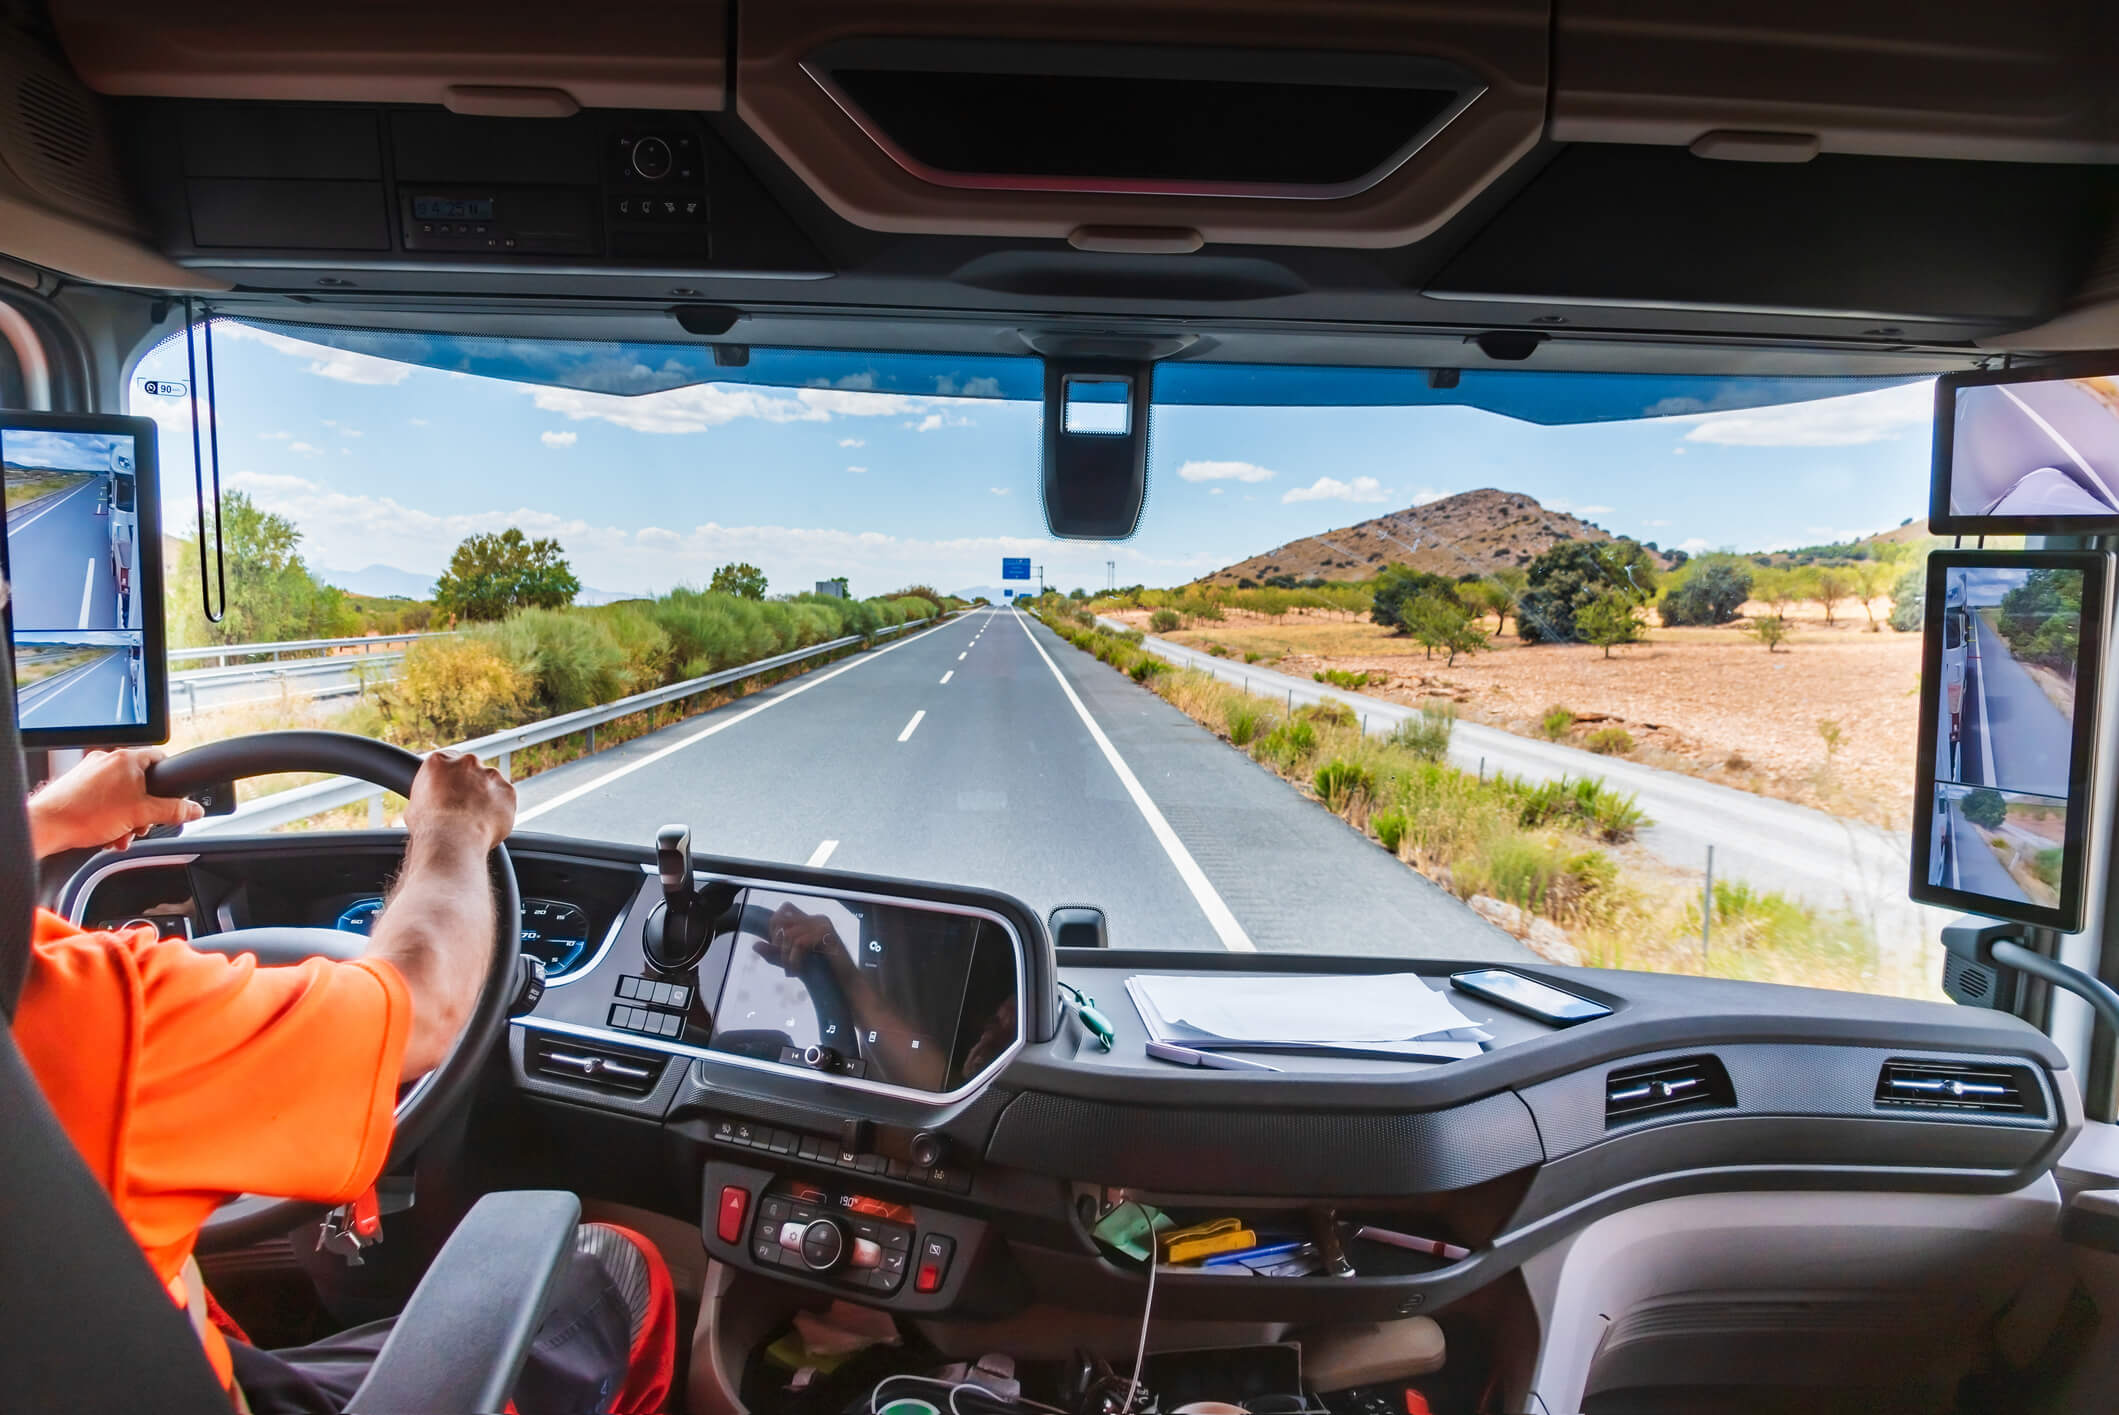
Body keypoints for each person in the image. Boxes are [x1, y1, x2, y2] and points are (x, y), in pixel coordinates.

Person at [12, 746, 675, 1414]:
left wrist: (43, 821)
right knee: (622, 1268)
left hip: (114, 1363)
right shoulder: (94, 1008)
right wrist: (456, 826)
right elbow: (426, 1008)